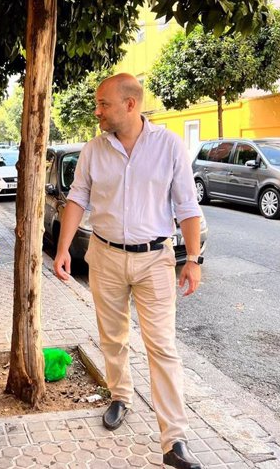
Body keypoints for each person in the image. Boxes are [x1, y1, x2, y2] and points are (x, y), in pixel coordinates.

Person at [53, 73, 204, 469]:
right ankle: (120, 395)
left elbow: (187, 205)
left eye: (104, 104)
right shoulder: (93, 150)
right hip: (104, 255)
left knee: (162, 346)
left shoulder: (168, 145)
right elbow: (77, 198)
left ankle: (174, 440)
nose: (97, 111)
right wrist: (64, 248)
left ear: (130, 105)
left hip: (155, 258)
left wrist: (193, 259)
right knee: (113, 337)